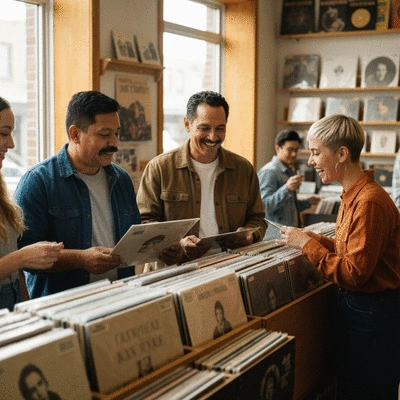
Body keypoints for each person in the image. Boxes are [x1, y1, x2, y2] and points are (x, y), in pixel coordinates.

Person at [280, 114, 400, 400]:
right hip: (364, 310)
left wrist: (307, 247)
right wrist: (310, 239)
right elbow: (349, 249)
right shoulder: (352, 194)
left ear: (342, 153)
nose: (310, 161)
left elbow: (353, 273)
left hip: (371, 314)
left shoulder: (368, 201)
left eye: (316, 152)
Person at [15, 91, 141, 299]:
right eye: (104, 134)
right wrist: (80, 259)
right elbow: (25, 256)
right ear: (75, 135)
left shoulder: (122, 179)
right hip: (62, 307)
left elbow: (132, 238)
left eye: (117, 133)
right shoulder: (38, 182)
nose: (115, 143)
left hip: (119, 297)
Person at [136, 90, 267, 266]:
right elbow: (144, 223)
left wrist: (250, 234)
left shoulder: (243, 169)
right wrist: (176, 243)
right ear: (187, 124)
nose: (213, 137)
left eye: (220, 128)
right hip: (172, 271)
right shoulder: (159, 167)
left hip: (229, 266)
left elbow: (258, 218)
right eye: (204, 128)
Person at [0, 97, 63, 310]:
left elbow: (16, 273)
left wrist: (26, 307)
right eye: (3, 133)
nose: (11, 143)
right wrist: (23, 257)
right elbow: (16, 260)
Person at [258, 130, 320, 240]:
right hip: (274, 237)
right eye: (290, 150)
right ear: (277, 148)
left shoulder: (289, 170)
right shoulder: (269, 171)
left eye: (296, 150)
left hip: (288, 236)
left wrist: (307, 202)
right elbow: (264, 206)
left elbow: (289, 206)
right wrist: (286, 188)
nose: (294, 154)